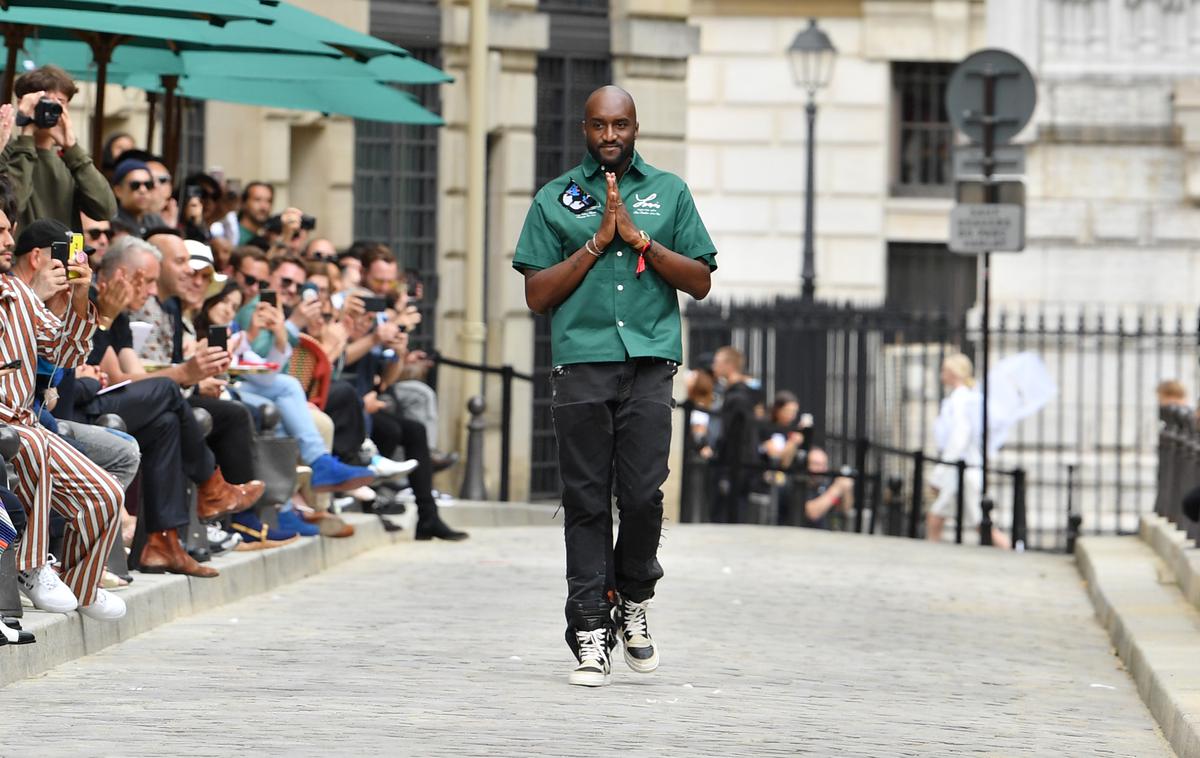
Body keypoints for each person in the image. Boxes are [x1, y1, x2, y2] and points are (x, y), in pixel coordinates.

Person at [513, 85, 716, 686]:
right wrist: (598, 242)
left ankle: (633, 598)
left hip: (651, 361)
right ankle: (589, 631)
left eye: (620, 125)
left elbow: (700, 281)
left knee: (644, 495)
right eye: (599, 126)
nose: (610, 136)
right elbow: (537, 295)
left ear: (635, 127)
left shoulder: (669, 191)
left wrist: (641, 242)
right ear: (584, 129)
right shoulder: (554, 199)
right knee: (584, 498)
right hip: (582, 361)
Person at [0, 200, 126, 620]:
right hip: (10, 425)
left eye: (8, 231)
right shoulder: (22, 292)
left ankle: (81, 583)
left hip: (26, 420)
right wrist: (35, 295)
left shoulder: (18, 291)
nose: (7, 240)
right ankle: (30, 567)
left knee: (106, 493)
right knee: (31, 443)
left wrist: (79, 296)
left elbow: (66, 352)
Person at [1, 65, 117, 231]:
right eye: (43, 102)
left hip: (64, 256)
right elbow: (11, 208)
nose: (50, 110)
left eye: (60, 103)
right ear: (22, 104)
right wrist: (26, 133)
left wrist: (72, 149)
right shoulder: (5, 153)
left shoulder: (71, 160)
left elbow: (106, 210)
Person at [926, 353, 1011, 549]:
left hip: (961, 471)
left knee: (979, 524)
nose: (941, 375)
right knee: (937, 517)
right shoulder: (966, 399)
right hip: (961, 470)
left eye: (944, 370)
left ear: (953, 373)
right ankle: (931, 554)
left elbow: (959, 439)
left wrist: (939, 474)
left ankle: (1013, 552)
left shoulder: (961, 400)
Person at [711, 346, 762, 524]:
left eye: (716, 362)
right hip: (739, 462)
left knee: (729, 514)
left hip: (736, 463)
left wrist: (726, 470)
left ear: (729, 365)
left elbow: (736, 436)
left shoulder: (737, 396)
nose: (713, 366)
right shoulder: (738, 393)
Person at [785, 447, 854, 529]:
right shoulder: (797, 485)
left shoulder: (826, 484)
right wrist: (837, 488)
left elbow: (845, 509)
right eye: (816, 464)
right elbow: (812, 514)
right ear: (806, 465)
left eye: (824, 465)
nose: (821, 469)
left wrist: (847, 490)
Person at [111, 159, 166, 238]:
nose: (143, 190)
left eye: (148, 185)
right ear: (118, 191)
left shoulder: (155, 220)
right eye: (135, 185)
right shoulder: (113, 223)